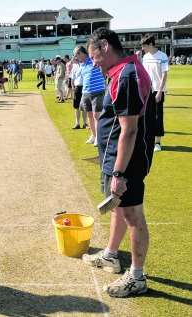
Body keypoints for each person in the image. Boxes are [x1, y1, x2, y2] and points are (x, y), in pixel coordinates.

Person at [83, 27, 155, 298]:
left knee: (132, 215)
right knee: (118, 208)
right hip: (117, 156)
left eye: (95, 57)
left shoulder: (126, 75)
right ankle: (111, 255)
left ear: (104, 46)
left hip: (126, 161)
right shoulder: (123, 71)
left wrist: (119, 172)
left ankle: (137, 277)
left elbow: (130, 130)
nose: (94, 63)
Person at [141, 34, 169, 152]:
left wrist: (160, 92)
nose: (143, 48)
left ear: (151, 44)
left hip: (158, 90)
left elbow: (164, 74)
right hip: (147, 90)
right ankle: (149, 140)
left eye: (144, 46)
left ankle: (157, 143)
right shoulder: (145, 57)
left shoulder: (162, 56)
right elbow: (144, 73)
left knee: (158, 116)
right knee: (147, 116)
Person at [76, 45, 106, 146]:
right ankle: (93, 136)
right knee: (89, 116)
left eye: (77, 55)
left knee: (96, 116)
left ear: (81, 53)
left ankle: (98, 137)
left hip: (97, 91)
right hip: (86, 92)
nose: (76, 57)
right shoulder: (82, 65)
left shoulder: (93, 60)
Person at [70, 56, 87, 129]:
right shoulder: (74, 67)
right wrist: (73, 87)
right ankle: (77, 123)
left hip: (85, 88)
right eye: (75, 58)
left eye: (77, 57)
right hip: (77, 88)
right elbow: (72, 78)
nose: (76, 59)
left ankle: (85, 123)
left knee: (84, 107)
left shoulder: (85, 65)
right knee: (76, 106)